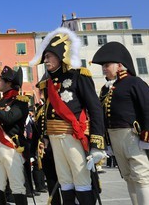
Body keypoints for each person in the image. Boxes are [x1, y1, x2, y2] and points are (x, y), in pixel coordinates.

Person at [29, 27, 106, 204]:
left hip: (74, 136)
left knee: (81, 180)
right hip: (55, 138)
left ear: (60, 55)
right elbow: (48, 112)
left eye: (49, 56)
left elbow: (94, 108)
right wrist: (46, 137)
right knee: (64, 182)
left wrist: (97, 143)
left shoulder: (79, 75)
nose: (46, 60)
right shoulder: (47, 83)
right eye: (45, 57)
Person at [92, 41, 149, 204]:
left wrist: (146, 135)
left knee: (141, 176)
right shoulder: (106, 88)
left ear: (119, 65)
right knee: (128, 176)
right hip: (114, 135)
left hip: (132, 135)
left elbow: (147, 107)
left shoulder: (134, 82)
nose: (103, 68)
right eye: (102, 66)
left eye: (107, 65)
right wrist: (106, 141)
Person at [0, 66, 30, 205]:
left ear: (8, 83)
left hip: (12, 148)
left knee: (17, 186)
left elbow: (8, 118)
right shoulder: (2, 101)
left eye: (1, 80)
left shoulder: (20, 101)